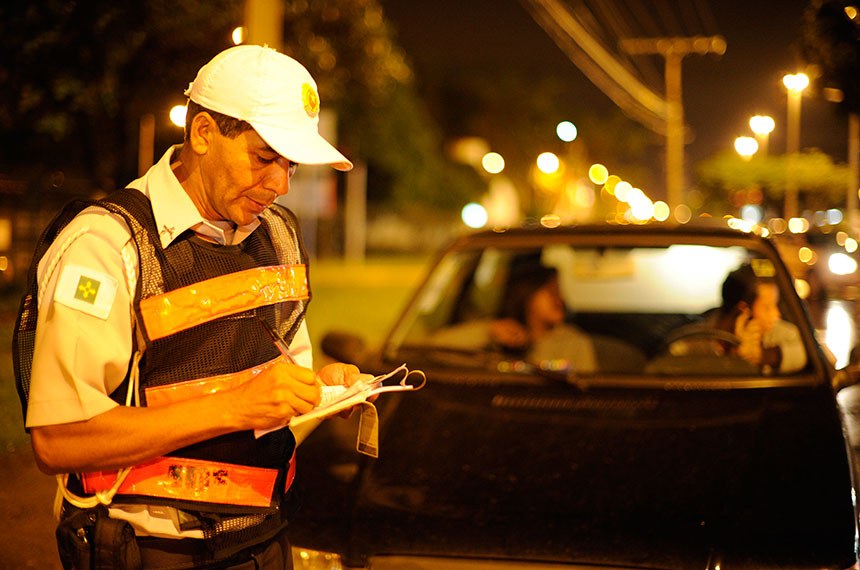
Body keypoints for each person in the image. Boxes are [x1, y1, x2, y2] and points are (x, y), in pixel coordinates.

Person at [13, 45, 367, 569]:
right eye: (264, 157)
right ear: (202, 133)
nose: (280, 184)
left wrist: (318, 392)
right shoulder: (107, 245)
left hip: (265, 536)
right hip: (150, 550)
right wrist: (237, 406)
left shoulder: (280, 237)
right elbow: (59, 440)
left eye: (290, 164)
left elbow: (270, 394)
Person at [433, 263, 598, 374]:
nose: (559, 299)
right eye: (552, 292)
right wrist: (488, 330)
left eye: (560, 292)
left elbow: (588, 393)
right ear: (527, 296)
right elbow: (433, 349)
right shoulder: (496, 338)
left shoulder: (574, 343)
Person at [670, 263, 807, 374]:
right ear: (744, 310)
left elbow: (807, 353)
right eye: (767, 307)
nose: (776, 314)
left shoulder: (780, 334)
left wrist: (762, 355)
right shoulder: (692, 341)